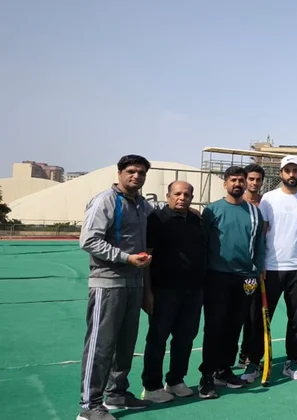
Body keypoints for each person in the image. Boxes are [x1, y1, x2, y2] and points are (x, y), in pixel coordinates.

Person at [77, 155, 155, 420]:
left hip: (134, 283)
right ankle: (89, 404)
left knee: (125, 344)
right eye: (131, 171)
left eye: (141, 173)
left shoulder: (142, 205)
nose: (136, 176)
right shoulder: (105, 201)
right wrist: (125, 258)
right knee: (101, 345)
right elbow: (89, 240)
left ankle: (116, 393)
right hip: (108, 283)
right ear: (119, 173)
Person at [199, 166, 266, 398]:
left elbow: (259, 244)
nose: (238, 184)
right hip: (217, 275)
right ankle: (207, 374)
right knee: (214, 326)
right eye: (233, 180)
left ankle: (224, 369)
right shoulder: (212, 210)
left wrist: (257, 269)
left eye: (241, 180)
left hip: (246, 277)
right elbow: (204, 243)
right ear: (225, 183)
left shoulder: (255, 212)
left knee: (234, 325)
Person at [253, 155, 297, 382]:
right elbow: (262, 232)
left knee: (296, 319)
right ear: (281, 173)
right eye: (288, 170)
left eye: (295, 170)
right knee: (262, 319)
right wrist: (261, 263)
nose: (292, 174)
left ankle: (292, 362)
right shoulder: (268, 199)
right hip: (271, 269)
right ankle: (254, 363)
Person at [140, 181, 205, 403]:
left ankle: (176, 380)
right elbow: (147, 257)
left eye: (186, 194)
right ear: (168, 196)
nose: (182, 198)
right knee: (158, 338)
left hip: (193, 291)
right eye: (177, 194)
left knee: (185, 337)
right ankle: (152, 386)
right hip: (164, 291)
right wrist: (147, 292)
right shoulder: (156, 220)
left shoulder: (196, 220)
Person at [238, 163, 266, 369]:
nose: (254, 183)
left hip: (257, 270)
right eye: (251, 179)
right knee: (234, 314)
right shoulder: (237, 202)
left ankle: (247, 353)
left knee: (253, 314)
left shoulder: (267, 203)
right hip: (234, 268)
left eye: (258, 179)